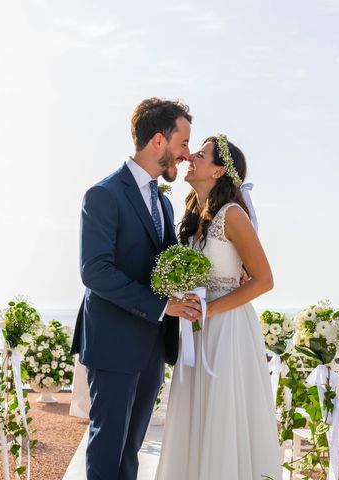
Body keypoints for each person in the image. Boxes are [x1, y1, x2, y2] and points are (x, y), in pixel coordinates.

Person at [71, 98, 203, 480]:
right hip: (113, 342)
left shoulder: (161, 203)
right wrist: (163, 307)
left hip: (151, 346)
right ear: (159, 141)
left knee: (131, 449)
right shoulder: (103, 194)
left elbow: (163, 264)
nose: (187, 153)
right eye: (183, 143)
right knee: (108, 446)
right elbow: (95, 272)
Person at [155, 135, 281, 480]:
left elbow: (264, 280)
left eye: (201, 154)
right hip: (195, 329)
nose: (191, 156)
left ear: (219, 170)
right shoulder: (193, 218)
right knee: (194, 418)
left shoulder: (233, 215)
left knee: (223, 417)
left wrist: (211, 307)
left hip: (227, 332)